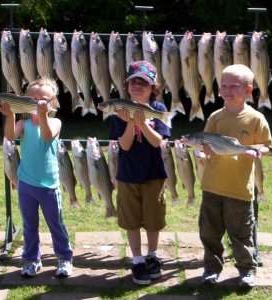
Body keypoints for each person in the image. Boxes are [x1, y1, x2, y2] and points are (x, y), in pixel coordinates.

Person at [198, 64, 272, 287]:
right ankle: (211, 269)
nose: (228, 90)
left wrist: (255, 151)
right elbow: (204, 143)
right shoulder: (215, 117)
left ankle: (247, 270)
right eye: (224, 86)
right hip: (211, 187)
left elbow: (267, 145)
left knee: (241, 234)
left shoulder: (256, 118)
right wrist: (205, 150)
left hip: (239, 190)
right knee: (209, 232)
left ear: (248, 90)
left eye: (234, 86)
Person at [0, 77, 73, 278]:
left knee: (55, 223)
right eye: (34, 99)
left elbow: (47, 136)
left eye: (44, 99)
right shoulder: (23, 123)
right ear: (25, 101)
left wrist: (43, 116)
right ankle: (32, 259)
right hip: (26, 183)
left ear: (52, 103)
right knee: (29, 225)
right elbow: (9, 137)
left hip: (49, 185)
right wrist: (10, 116)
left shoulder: (55, 122)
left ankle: (64, 257)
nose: (39, 103)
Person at [108, 60, 171, 285]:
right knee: (131, 220)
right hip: (127, 175)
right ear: (127, 85)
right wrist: (129, 124)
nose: (138, 86)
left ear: (153, 87)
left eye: (143, 82)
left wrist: (142, 122)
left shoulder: (160, 110)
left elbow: (157, 143)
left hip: (154, 174)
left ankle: (152, 256)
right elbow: (124, 146)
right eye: (134, 81)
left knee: (154, 219)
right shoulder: (119, 111)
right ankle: (137, 260)